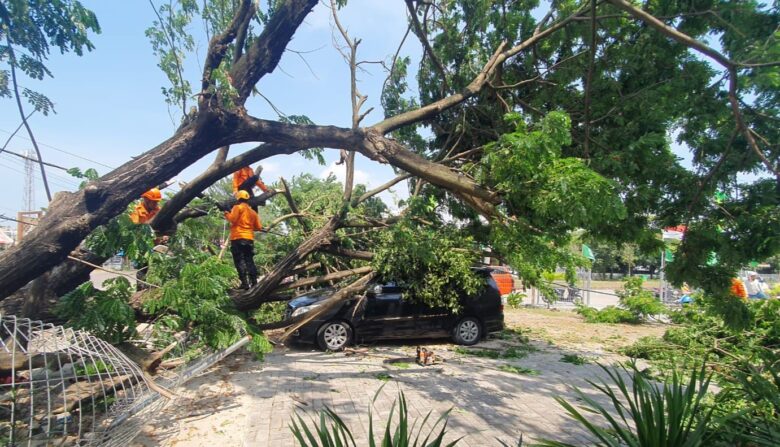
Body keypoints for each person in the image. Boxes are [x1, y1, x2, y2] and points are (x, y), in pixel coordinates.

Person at [224, 190, 262, 289]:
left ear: (238, 198)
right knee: (249, 260)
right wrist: (248, 227)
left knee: (239, 261)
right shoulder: (253, 212)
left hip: (237, 238)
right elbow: (258, 227)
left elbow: (232, 219)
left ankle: (245, 283)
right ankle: (254, 282)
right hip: (249, 239)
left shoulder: (237, 207)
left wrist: (226, 213)